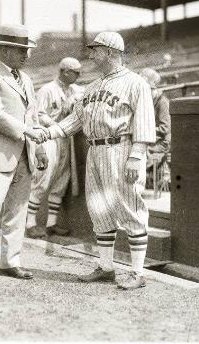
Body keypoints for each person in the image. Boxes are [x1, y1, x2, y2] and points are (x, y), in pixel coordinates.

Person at [44, 31, 156, 290]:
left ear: (111, 52)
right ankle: (106, 268)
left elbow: (144, 123)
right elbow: (75, 120)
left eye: (96, 50)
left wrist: (136, 156)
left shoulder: (135, 82)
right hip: (95, 151)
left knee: (130, 207)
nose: (92, 54)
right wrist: (48, 133)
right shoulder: (93, 86)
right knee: (99, 209)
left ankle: (138, 273)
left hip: (122, 148)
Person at [0, 24, 48, 287]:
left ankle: (10, 262)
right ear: (3, 49)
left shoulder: (24, 78)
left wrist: (40, 148)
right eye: (21, 50)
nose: (26, 55)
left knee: (18, 212)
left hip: (24, 154)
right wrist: (28, 132)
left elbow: (32, 115)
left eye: (27, 50)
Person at [26, 57, 84, 239]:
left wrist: (75, 102)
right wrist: (55, 127)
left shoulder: (75, 90)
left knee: (61, 179)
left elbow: (86, 98)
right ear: (64, 71)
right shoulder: (47, 89)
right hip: (49, 137)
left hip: (66, 140)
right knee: (43, 177)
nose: (78, 75)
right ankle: (30, 223)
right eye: (75, 72)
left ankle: (51, 223)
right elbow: (38, 114)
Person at [140, 68, 171, 190]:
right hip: (150, 139)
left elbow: (165, 128)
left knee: (138, 153)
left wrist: (145, 129)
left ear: (154, 89)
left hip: (161, 142)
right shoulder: (147, 102)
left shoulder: (162, 102)